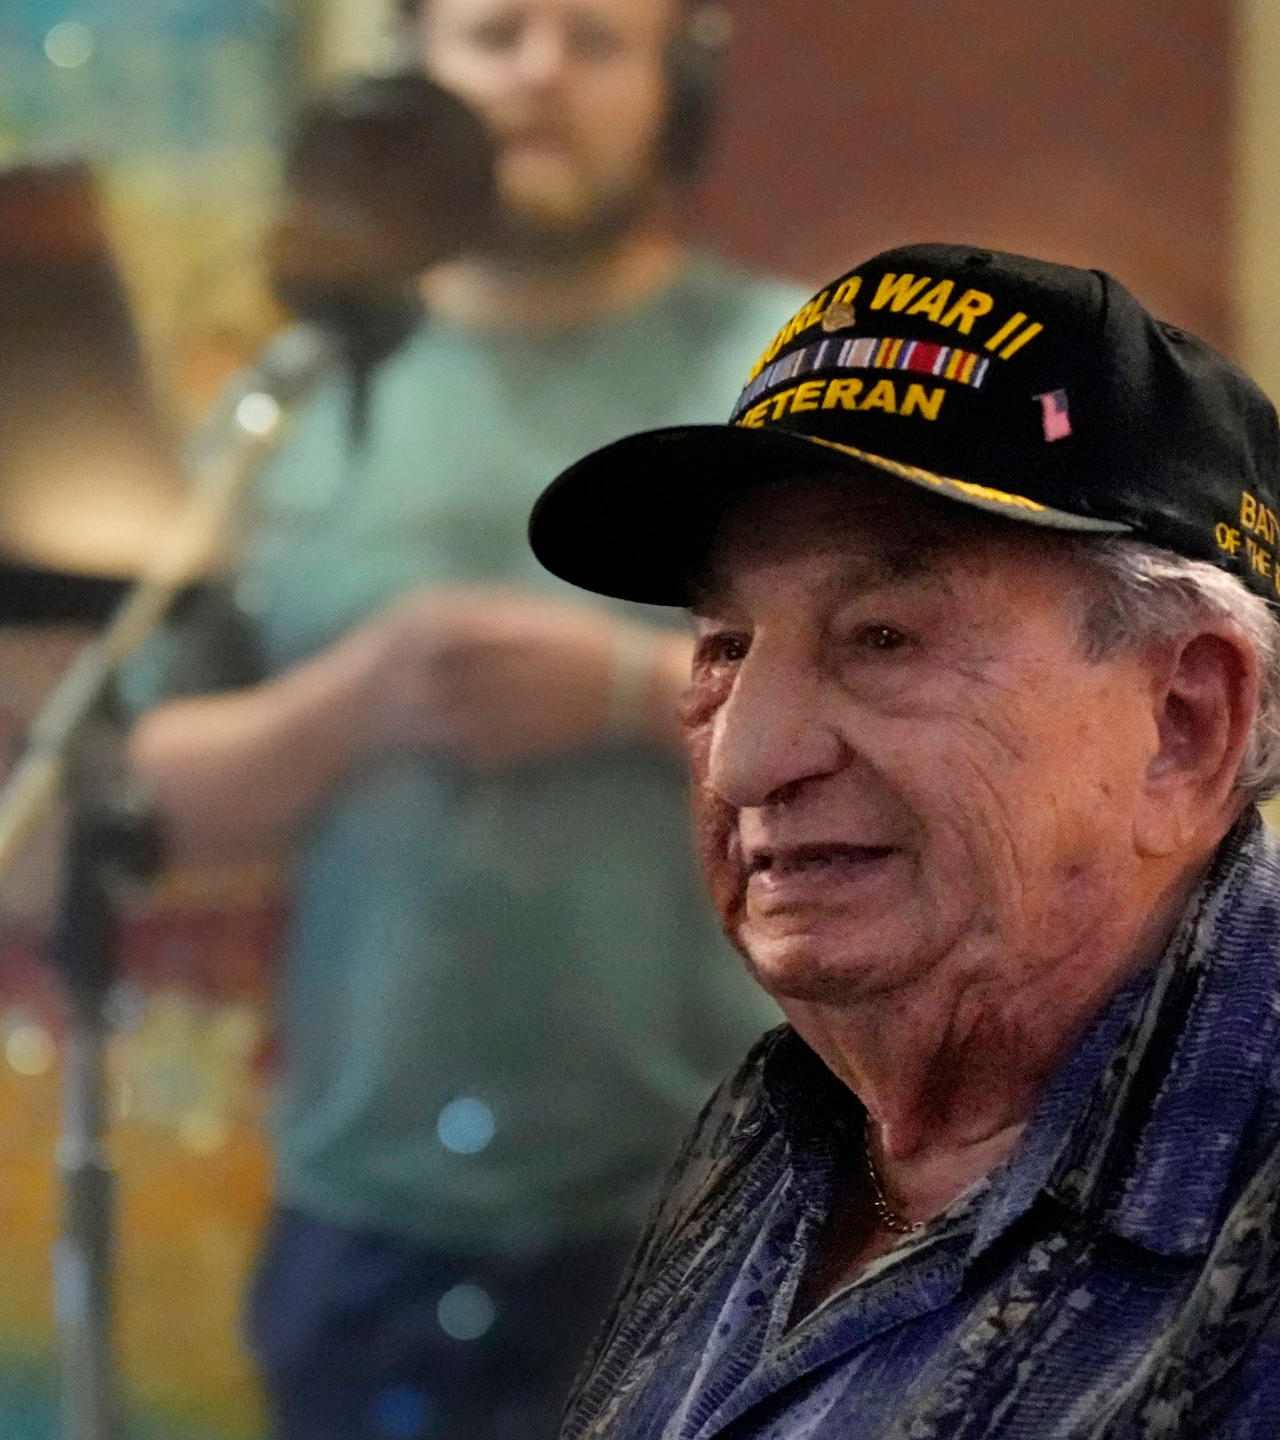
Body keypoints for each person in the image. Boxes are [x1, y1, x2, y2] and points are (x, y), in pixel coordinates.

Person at [523, 244, 1280, 1439]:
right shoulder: (793, 1113)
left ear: (1184, 727)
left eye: (881, 637)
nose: (745, 758)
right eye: (724, 646)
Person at [124, 1, 795, 1437]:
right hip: (368, 1232)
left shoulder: (790, 374)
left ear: (675, 80)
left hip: (737, 1204)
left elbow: (917, 714)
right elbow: (135, 796)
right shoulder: (293, 398)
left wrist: (628, 692)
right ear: (415, 78)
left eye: (595, 40)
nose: (542, 74)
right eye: (497, 32)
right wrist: (352, 706)